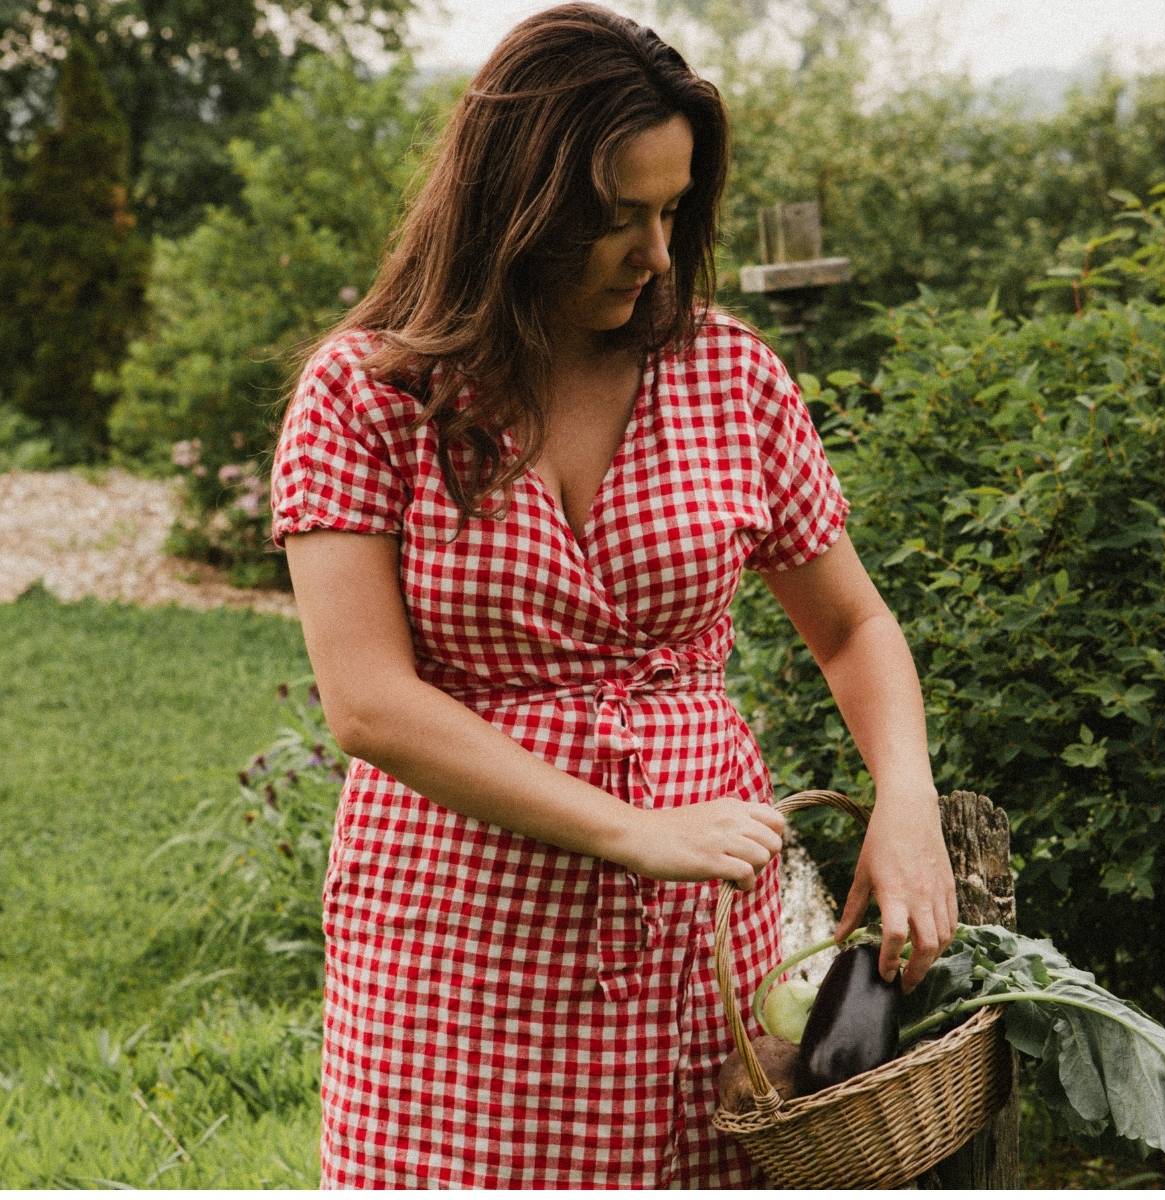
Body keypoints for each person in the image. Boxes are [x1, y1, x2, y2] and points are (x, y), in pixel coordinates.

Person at [271, 2, 957, 1188]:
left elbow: (852, 624)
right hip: (456, 936)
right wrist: (632, 832)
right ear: (515, 205)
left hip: (703, 948)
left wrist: (908, 799)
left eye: (671, 211)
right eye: (613, 218)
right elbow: (369, 703)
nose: (653, 254)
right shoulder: (367, 394)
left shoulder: (727, 373)